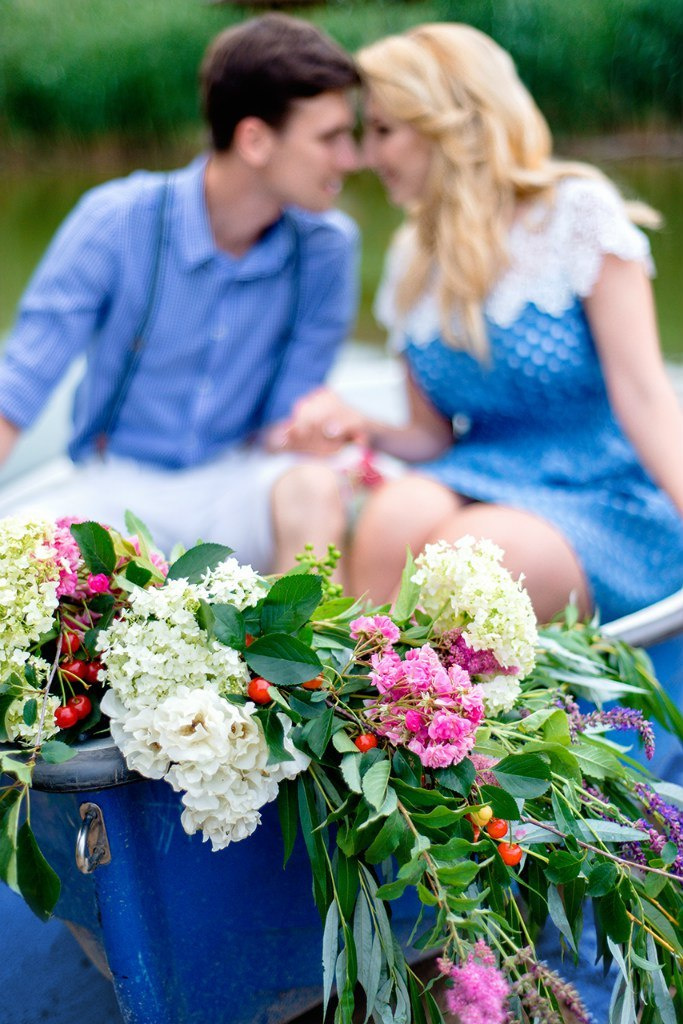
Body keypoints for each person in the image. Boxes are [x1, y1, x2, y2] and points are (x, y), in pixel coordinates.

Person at [270, 21, 683, 624]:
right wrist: (360, 424)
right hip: (478, 467)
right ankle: (368, 702)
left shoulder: (576, 215)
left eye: (383, 130)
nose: (365, 155)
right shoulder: (413, 256)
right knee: (394, 517)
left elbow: (646, 395)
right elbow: (431, 435)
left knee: (465, 561)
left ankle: (418, 701)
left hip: (601, 488)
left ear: (449, 122)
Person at [0, 13, 360, 569]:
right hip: (113, 485)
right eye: (330, 138)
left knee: (313, 489)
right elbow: (17, 388)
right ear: (255, 140)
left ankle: (307, 656)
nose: (350, 159)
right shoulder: (116, 220)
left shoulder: (329, 247)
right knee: (23, 554)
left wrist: (314, 426)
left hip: (237, 481)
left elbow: (283, 420)